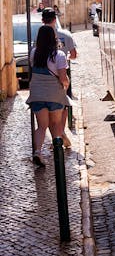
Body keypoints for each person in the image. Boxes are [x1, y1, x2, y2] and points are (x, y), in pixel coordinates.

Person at [26, 25, 70, 166]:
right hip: (54, 95)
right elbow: (63, 78)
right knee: (56, 123)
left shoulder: (33, 53)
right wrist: (66, 84)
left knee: (41, 126)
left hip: (37, 94)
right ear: (53, 38)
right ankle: (57, 152)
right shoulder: (59, 55)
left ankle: (37, 152)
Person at [41, 7, 77, 148]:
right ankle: (60, 132)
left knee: (51, 109)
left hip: (46, 77)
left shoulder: (40, 36)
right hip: (62, 75)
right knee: (63, 106)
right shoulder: (65, 34)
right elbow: (73, 54)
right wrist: (65, 57)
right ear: (55, 19)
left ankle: (57, 136)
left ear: (42, 20)